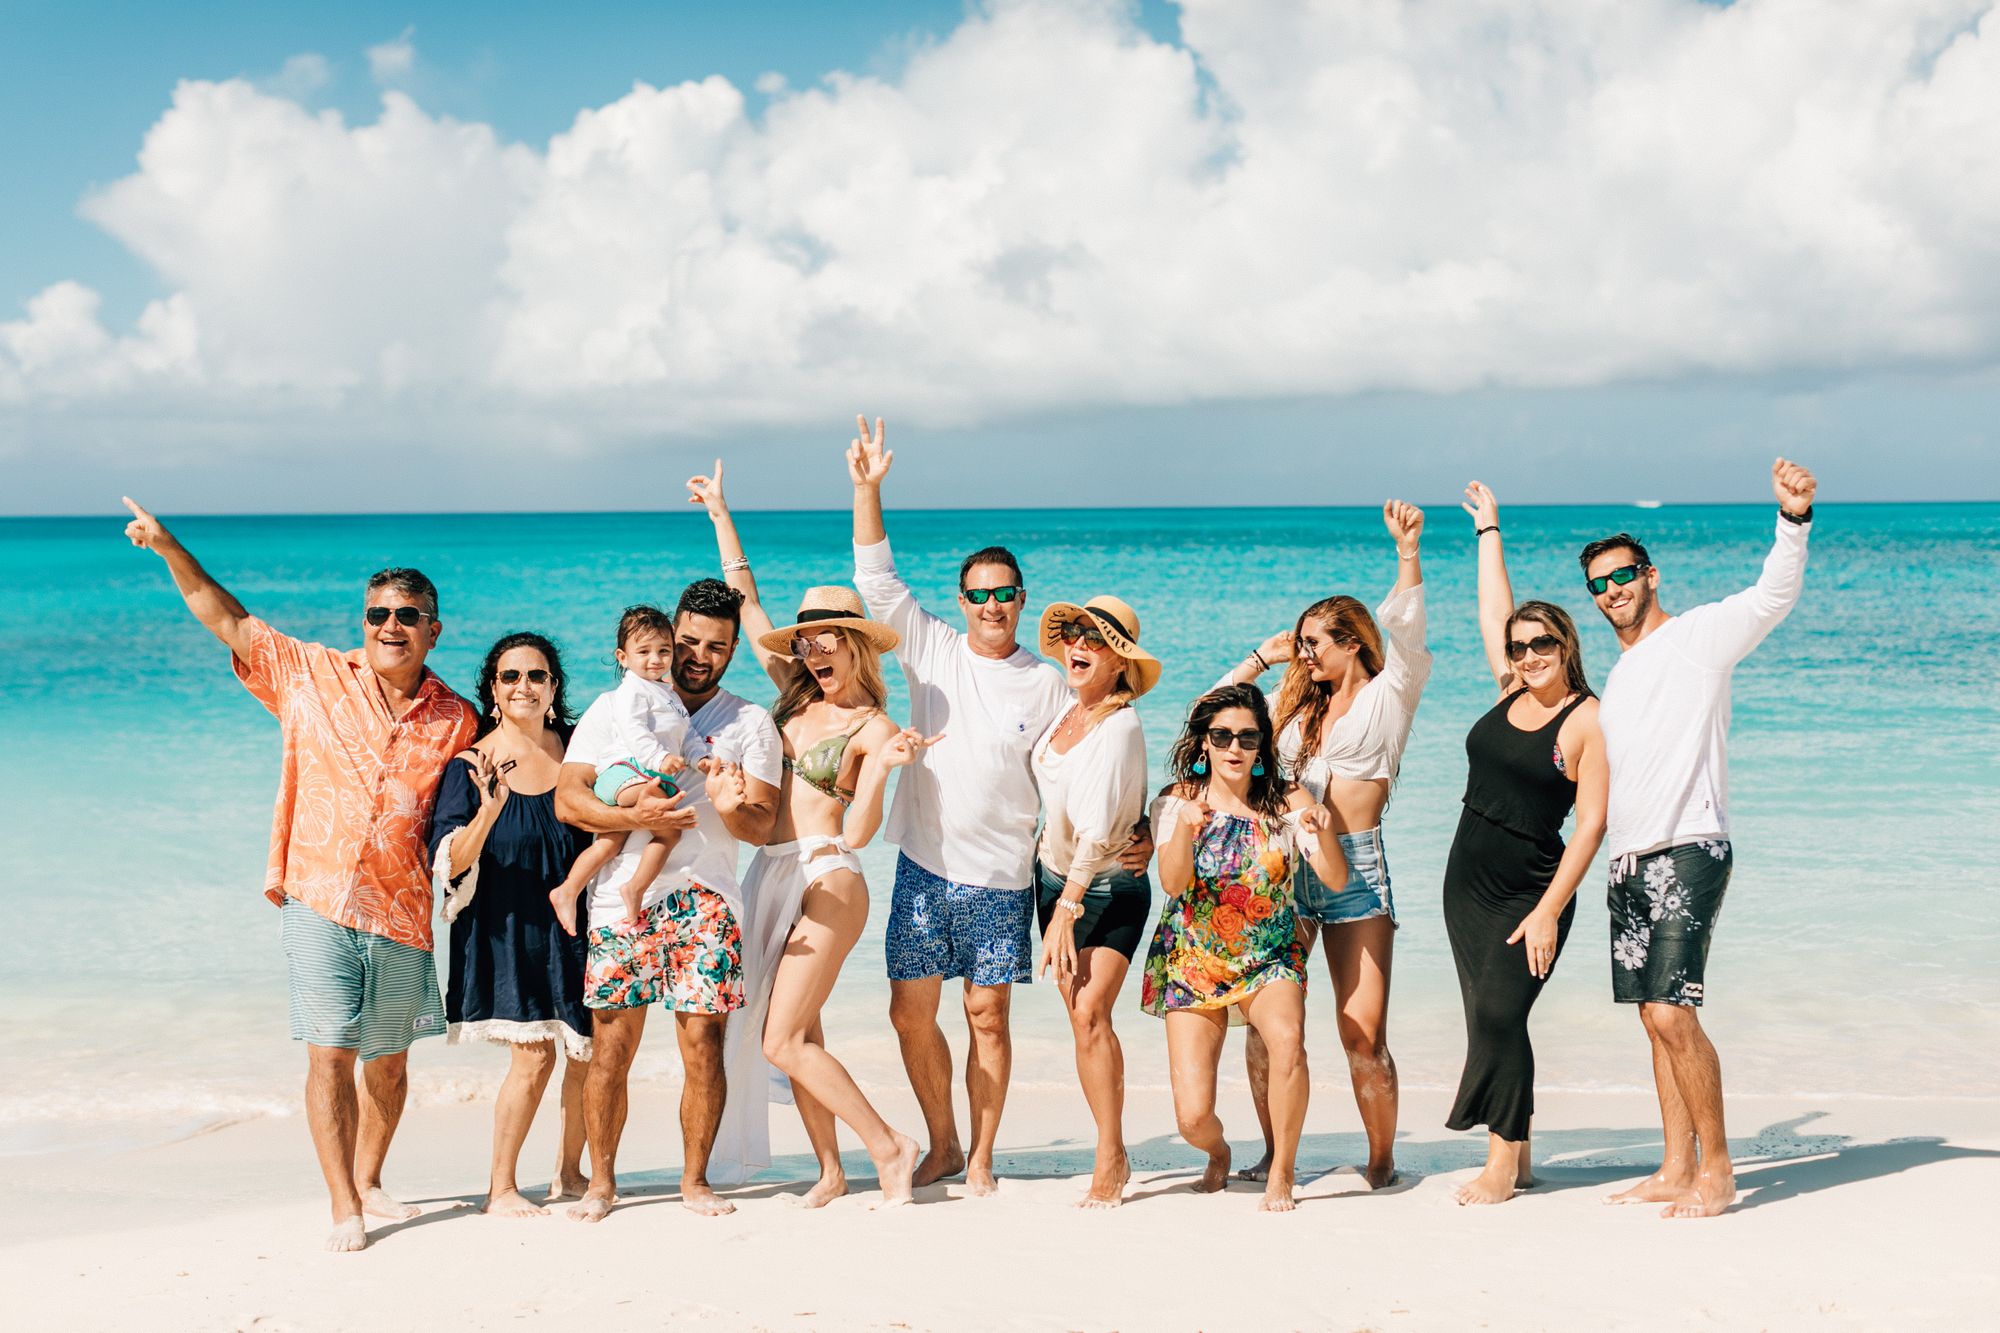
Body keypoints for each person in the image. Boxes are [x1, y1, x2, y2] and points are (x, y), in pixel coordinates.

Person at [120, 498, 476, 1253]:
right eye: (378, 612)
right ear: (363, 621)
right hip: (318, 895)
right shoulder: (311, 674)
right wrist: (168, 546)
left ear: (432, 629)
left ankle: (373, 1179)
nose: (390, 625)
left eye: (408, 615)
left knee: (388, 1064)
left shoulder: (458, 717)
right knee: (329, 1051)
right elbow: (227, 619)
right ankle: (343, 1203)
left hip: (405, 909)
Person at [847, 416, 1150, 1194]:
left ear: (1021, 600)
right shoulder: (931, 647)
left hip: (1004, 876)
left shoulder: (1049, 682)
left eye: (1004, 593)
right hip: (922, 865)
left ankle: (980, 1155)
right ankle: (942, 1141)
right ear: (962, 599)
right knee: (909, 1014)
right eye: (978, 593)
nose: (991, 603)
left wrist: (1137, 822)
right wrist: (867, 488)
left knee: (988, 1016)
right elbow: (877, 582)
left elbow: (1084, 761)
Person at [1589, 458, 1818, 1220]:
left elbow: (1772, 597)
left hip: (1690, 844)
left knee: (1671, 1012)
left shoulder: (1695, 638)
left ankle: (1717, 1172)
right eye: (1598, 584)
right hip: (1629, 857)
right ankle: (1673, 1164)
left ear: (1650, 576)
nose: (1612, 591)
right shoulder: (1619, 677)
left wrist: (1791, 520)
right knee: (1651, 1019)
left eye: (1622, 575)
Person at [695, 461, 928, 1204]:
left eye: (829, 638)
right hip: (771, 873)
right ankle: (831, 1168)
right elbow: (746, 601)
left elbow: (859, 831)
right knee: (805, 1031)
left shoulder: (873, 725)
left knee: (779, 1038)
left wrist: (886, 767)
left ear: (856, 643)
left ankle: (890, 1145)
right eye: (808, 641)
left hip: (829, 875)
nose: (814, 650)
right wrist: (721, 514)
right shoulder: (791, 696)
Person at [554, 578, 783, 1223]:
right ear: (664, 640)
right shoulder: (611, 709)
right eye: (687, 641)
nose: (696, 656)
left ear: (733, 650)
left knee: (702, 1045)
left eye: (716, 646)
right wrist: (634, 814)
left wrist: (735, 805)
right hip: (621, 901)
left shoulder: (750, 722)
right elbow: (568, 800)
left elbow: (762, 827)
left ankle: (694, 1182)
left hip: (706, 897)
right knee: (611, 1046)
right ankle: (600, 1184)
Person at [1217, 500, 1430, 1189]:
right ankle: (1274, 1154)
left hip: (1357, 870)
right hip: (1284, 870)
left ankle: (1380, 1159)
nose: (1303, 652)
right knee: (1264, 1026)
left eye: (1314, 642)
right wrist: (1261, 656)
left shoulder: (1390, 694)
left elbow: (1411, 635)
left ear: (1353, 642)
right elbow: (1211, 715)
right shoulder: (1295, 706)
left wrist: (1407, 554)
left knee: (1361, 1034)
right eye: (1301, 641)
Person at [1442, 482, 1607, 1205]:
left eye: (1542, 642)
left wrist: (1548, 909)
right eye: (1520, 644)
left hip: (1530, 888)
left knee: (1502, 1014)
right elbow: (1492, 608)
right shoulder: (1509, 687)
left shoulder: (1587, 719)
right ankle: (1524, 1150)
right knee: (1487, 1015)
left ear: (1566, 644)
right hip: (1466, 885)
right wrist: (1489, 530)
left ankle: (1501, 1164)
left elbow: (1593, 824)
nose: (1529, 652)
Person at [1140, 683, 1347, 1213]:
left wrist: (1321, 831)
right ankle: (1220, 1153)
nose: (1235, 747)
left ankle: (1282, 1171)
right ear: (1204, 742)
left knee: (1287, 1039)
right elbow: (1171, 882)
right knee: (1191, 1118)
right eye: (1222, 735)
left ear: (1261, 745)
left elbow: (1335, 879)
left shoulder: (1288, 801)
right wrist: (1185, 830)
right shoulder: (1176, 800)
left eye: (1247, 737)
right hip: (1194, 958)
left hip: (1269, 954)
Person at [426, 632, 595, 1216]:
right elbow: (449, 861)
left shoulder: (580, 750)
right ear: (493, 691)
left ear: (554, 688)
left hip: (578, 920)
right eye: (510, 677)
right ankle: (501, 1188)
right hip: (504, 925)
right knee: (534, 1057)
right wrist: (490, 810)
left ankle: (571, 1173)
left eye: (537, 676)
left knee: (587, 1053)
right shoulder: (469, 767)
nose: (524, 686)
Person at [1030, 596, 1161, 1208]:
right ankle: (1111, 1145)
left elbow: (1103, 831)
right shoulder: (1065, 710)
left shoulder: (1120, 724)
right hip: (1052, 880)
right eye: (1076, 634)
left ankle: (1110, 1153)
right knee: (1082, 1021)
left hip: (1105, 886)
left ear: (1121, 664)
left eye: (1099, 640)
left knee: (1089, 1015)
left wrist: (1067, 908)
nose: (1080, 645)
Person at [548, 607, 693, 934]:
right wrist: (660, 760)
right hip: (627, 772)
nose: (655, 659)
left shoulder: (666, 694)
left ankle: (569, 889)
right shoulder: (631, 690)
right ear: (622, 657)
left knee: (609, 843)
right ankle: (635, 887)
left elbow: (688, 733)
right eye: (643, 651)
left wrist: (703, 758)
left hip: (635, 773)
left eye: (663, 651)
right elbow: (635, 730)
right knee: (667, 824)